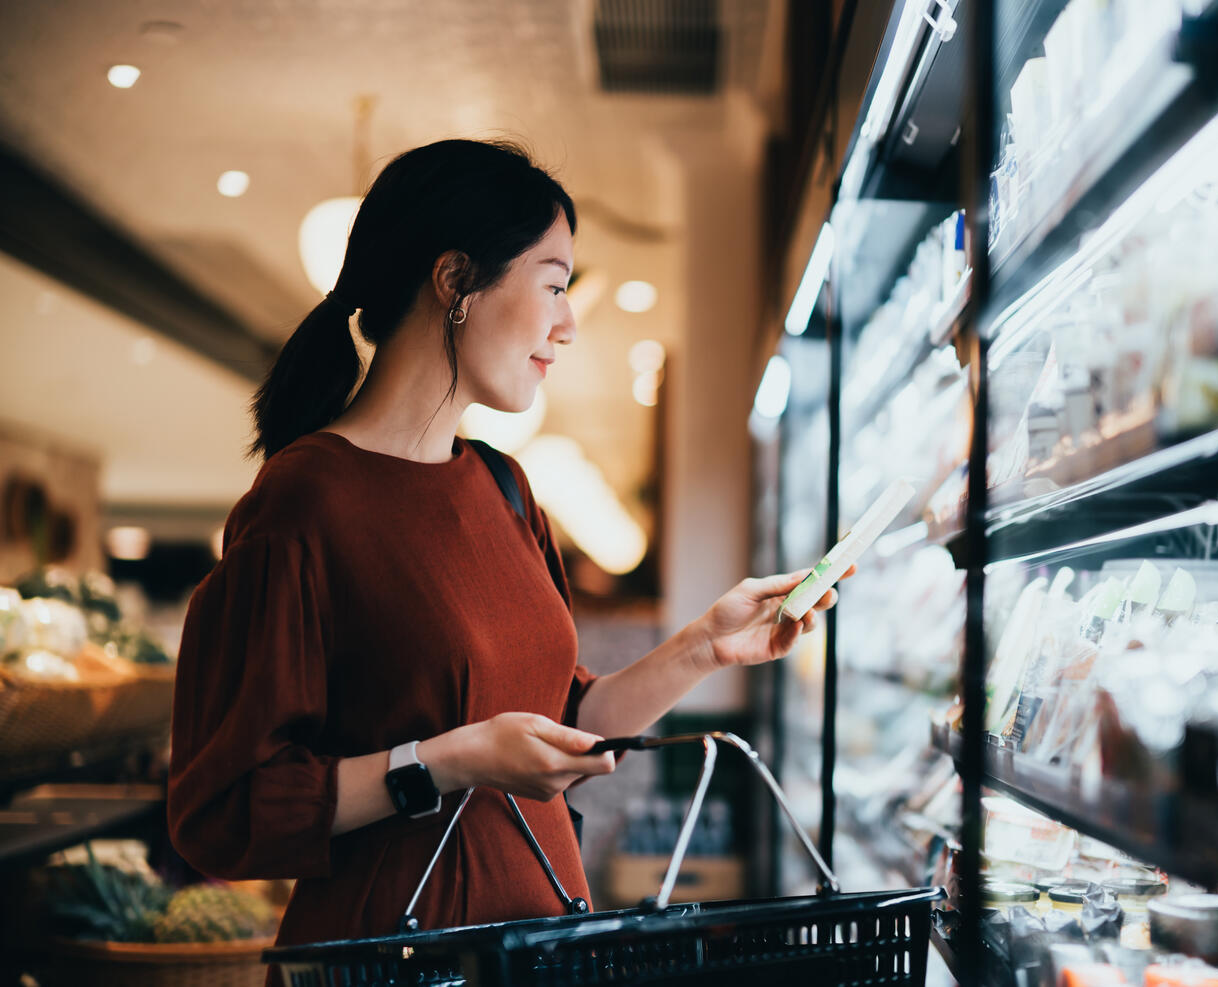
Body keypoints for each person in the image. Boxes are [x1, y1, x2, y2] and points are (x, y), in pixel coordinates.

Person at [166, 139, 845, 952]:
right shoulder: (305, 499)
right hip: (398, 959)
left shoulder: (505, 487)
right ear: (455, 281)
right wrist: (447, 760)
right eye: (554, 284)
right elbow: (226, 807)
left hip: (544, 945)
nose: (566, 325)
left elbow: (566, 722)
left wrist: (706, 646)